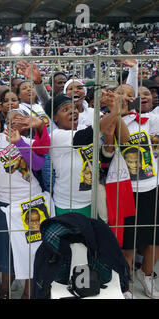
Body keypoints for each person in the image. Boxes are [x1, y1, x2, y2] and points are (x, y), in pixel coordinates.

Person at [0, 106, 51, 299]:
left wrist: (20, 143)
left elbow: (39, 163)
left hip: (33, 202)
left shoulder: (13, 136)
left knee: (32, 249)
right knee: (5, 249)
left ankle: (28, 291)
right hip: (4, 206)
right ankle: (5, 287)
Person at [48, 92, 129, 218]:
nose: (72, 111)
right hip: (70, 206)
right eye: (65, 109)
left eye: (74, 108)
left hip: (94, 200)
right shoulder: (55, 136)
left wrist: (110, 130)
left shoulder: (83, 127)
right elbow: (86, 137)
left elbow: (116, 146)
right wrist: (115, 112)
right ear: (55, 118)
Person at [115, 83, 159, 299]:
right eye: (122, 94)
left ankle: (147, 275)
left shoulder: (150, 120)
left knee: (155, 237)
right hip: (126, 189)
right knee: (128, 243)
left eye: (132, 95)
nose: (129, 98)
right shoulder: (112, 120)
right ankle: (125, 285)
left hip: (151, 186)